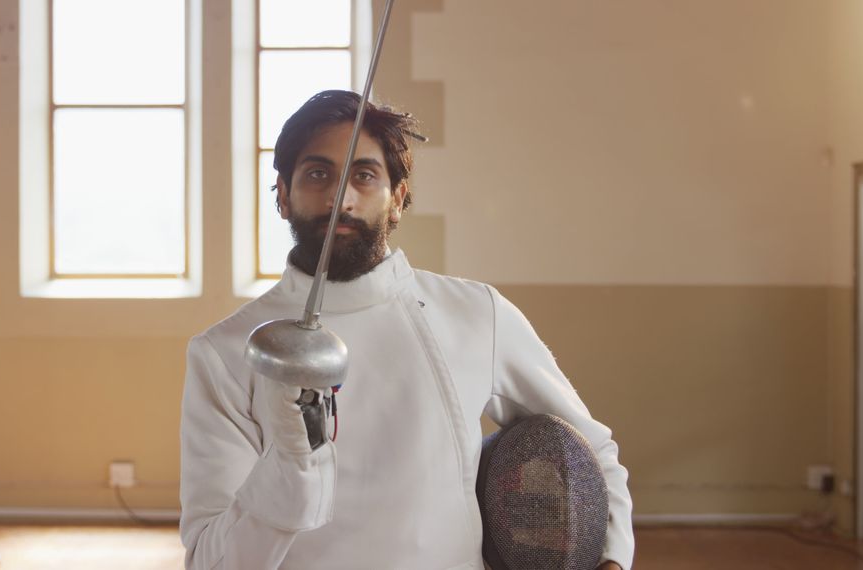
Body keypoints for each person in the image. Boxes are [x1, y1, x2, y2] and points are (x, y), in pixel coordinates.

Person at [179, 90, 633, 570]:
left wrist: (611, 560)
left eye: (364, 175)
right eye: (318, 174)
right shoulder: (225, 352)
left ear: (396, 199)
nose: (340, 197)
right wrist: (289, 469)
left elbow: (589, 450)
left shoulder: (476, 313)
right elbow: (211, 561)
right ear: (284, 196)